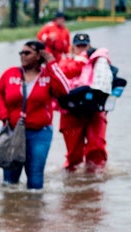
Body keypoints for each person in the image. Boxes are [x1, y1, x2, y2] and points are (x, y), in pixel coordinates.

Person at [0, 40, 71, 190]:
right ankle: (11, 210)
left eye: (27, 53)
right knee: (10, 179)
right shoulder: (10, 74)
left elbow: (66, 90)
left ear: (39, 55)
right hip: (13, 131)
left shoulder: (48, 75)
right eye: (21, 53)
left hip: (40, 133)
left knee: (35, 177)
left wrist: (52, 63)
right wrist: (3, 114)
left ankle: (34, 211)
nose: (23, 56)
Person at [58, 33, 114, 172]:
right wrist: (81, 60)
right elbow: (65, 72)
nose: (82, 49)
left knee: (97, 148)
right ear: (73, 47)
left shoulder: (98, 60)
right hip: (71, 112)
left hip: (94, 111)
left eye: (84, 46)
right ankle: (72, 178)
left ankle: (94, 183)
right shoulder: (64, 61)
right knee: (74, 153)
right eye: (79, 46)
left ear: (89, 45)